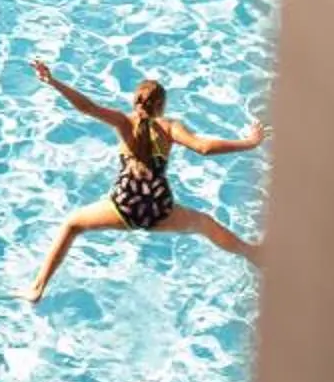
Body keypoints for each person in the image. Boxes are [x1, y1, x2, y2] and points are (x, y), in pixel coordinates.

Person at [25, 61, 264, 303]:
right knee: (205, 224)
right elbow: (204, 147)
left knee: (71, 225)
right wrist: (250, 142)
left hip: (124, 207)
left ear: (135, 101)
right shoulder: (169, 127)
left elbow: (87, 107)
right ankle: (251, 253)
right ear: (161, 106)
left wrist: (53, 81)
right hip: (159, 210)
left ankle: (37, 287)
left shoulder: (124, 122)